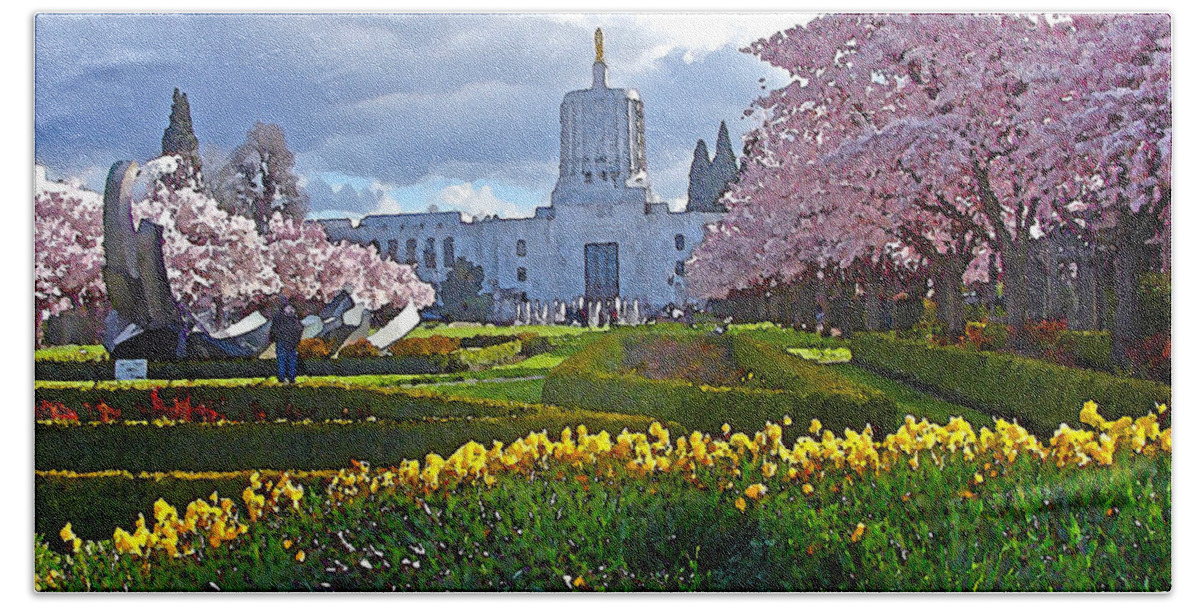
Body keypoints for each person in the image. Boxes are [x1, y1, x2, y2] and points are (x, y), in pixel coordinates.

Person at [269, 298, 303, 384]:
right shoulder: (280, 318)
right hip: (283, 342)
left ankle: (290, 378)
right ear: (284, 308)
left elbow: (299, 330)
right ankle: (282, 378)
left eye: (292, 308)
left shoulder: (294, 319)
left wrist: (296, 341)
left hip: (291, 343)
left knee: (290, 361)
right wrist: (274, 338)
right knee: (283, 361)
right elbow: (274, 330)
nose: (291, 310)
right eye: (289, 308)